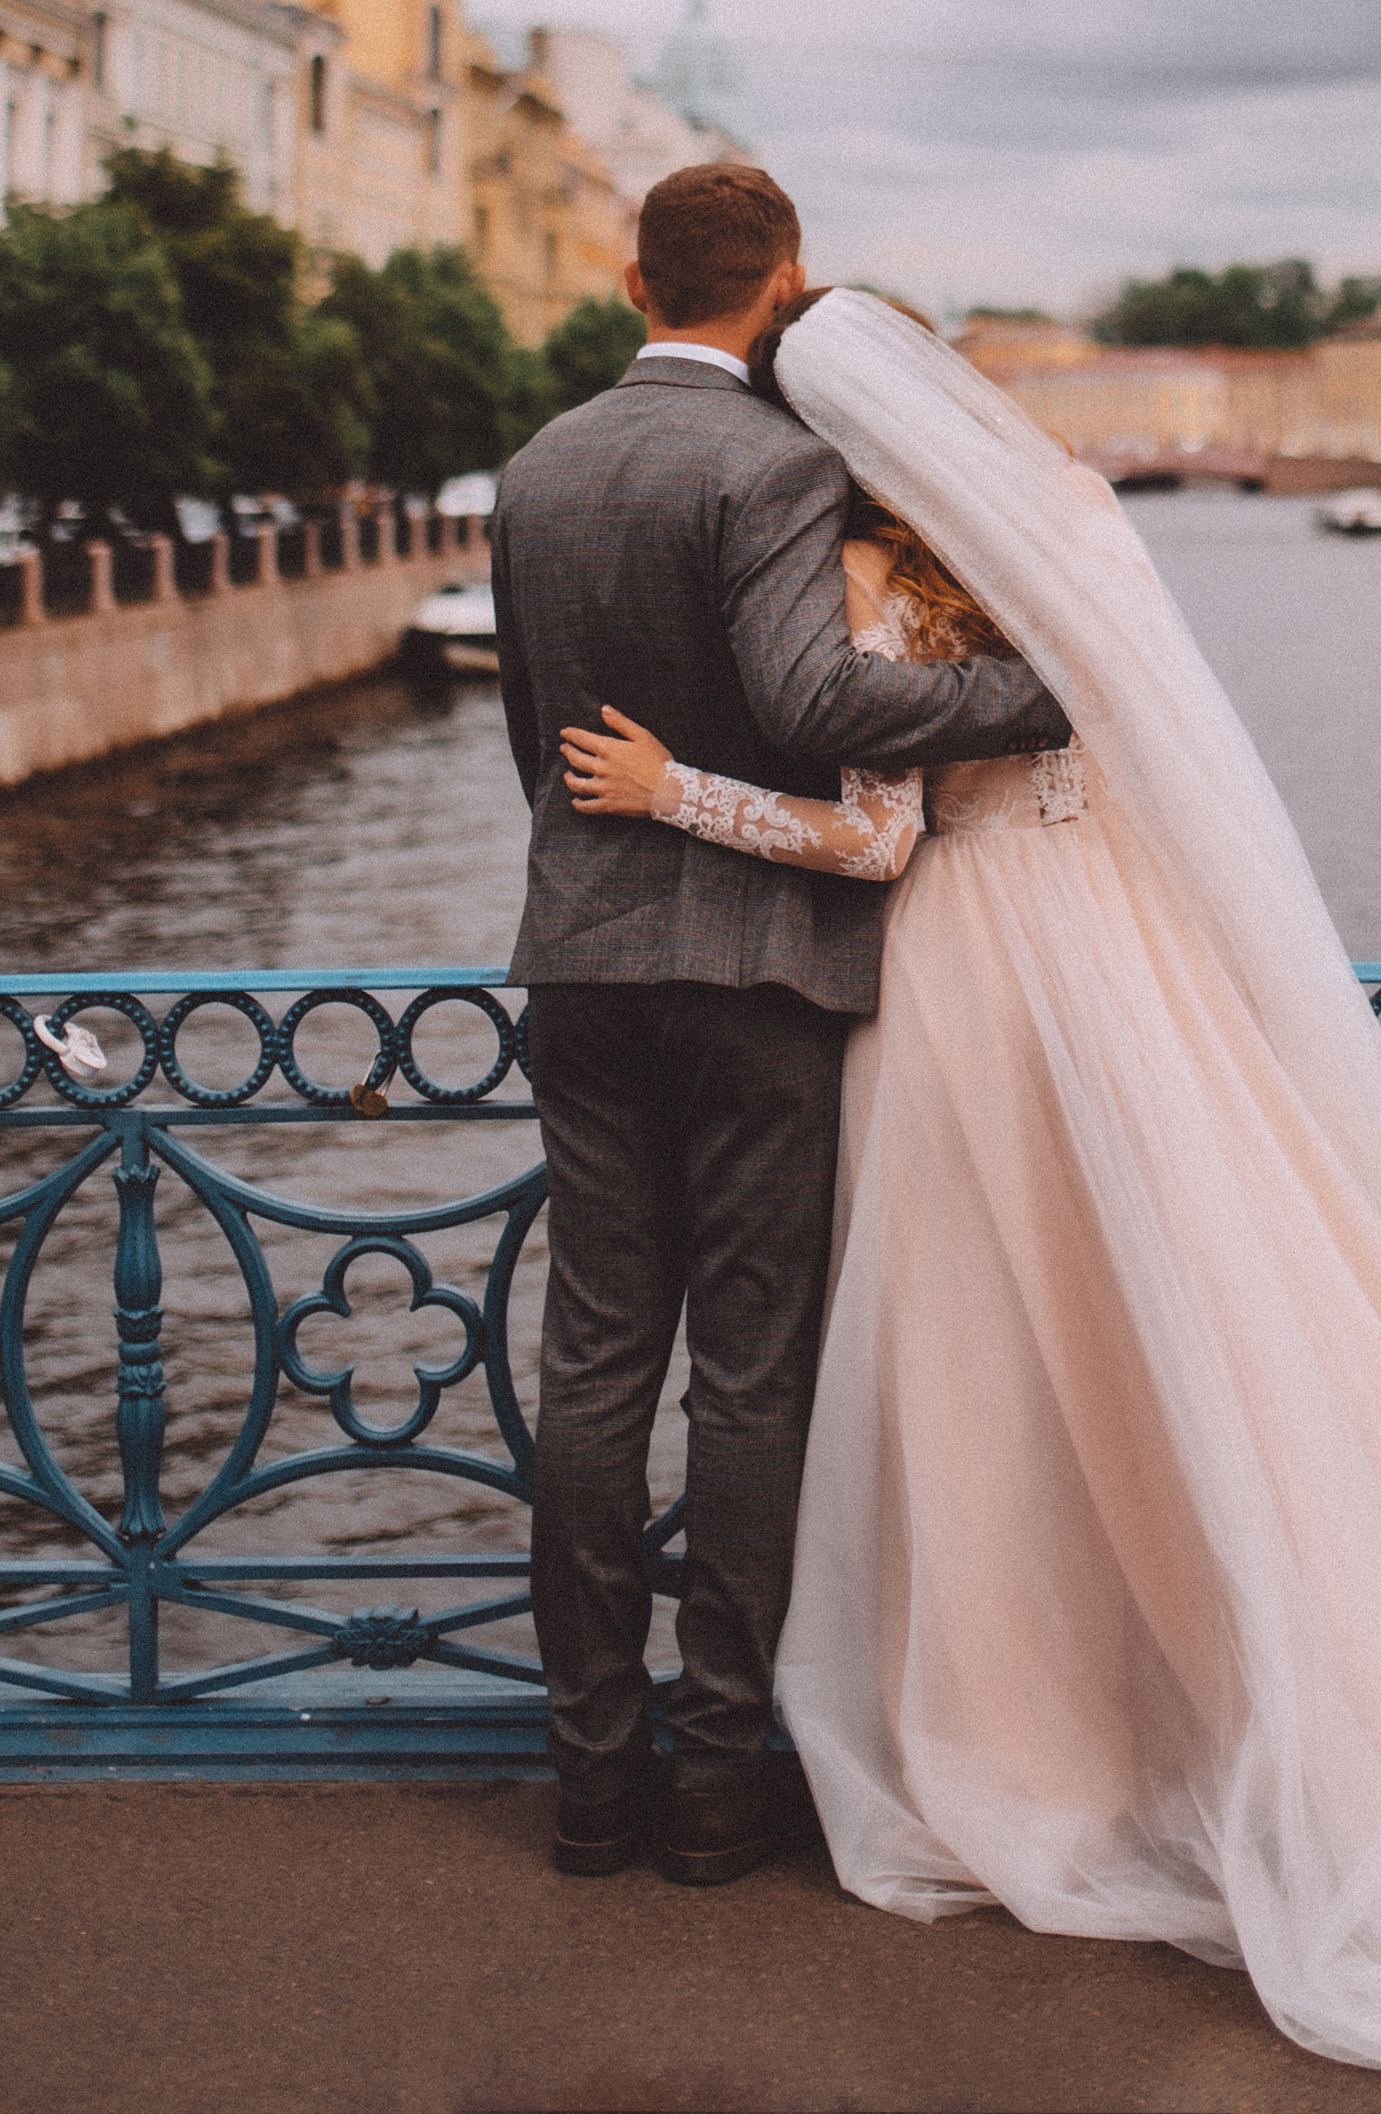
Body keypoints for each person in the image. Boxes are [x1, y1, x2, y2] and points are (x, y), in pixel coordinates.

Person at [558, 286, 1381, 2083]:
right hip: (1130, 970)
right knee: (1206, 1338)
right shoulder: (1078, 523)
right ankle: (1255, 1716)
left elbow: (872, 835)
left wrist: (670, 790)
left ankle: (1031, 1742)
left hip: (965, 988)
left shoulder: (857, 576)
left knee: (986, 1378)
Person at [490, 170, 1073, 1889]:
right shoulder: (774, 464)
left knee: (594, 1364)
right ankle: (716, 1779)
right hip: (758, 977)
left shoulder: (535, 467)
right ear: (784, 282)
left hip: (583, 961)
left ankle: (590, 1776)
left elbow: (534, 737)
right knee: (749, 1376)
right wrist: (1047, 686)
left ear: (631, 281)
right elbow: (816, 698)